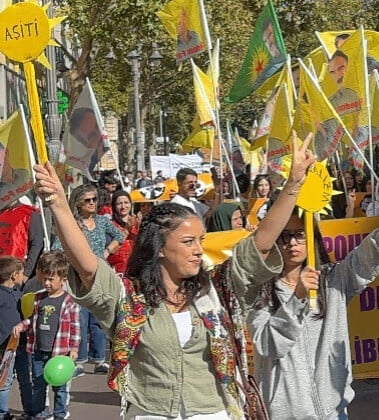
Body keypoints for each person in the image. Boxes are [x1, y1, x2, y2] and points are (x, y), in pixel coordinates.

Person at [32, 133, 318, 419]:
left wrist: (293, 185)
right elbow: (88, 266)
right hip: (150, 413)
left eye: (201, 240)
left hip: (213, 412)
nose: (198, 250)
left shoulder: (218, 289)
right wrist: (58, 202)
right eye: (188, 241)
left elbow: (261, 245)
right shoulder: (129, 299)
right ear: (159, 248)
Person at [247, 176, 379, 419]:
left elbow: (365, 260)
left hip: (333, 412)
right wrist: (297, 298)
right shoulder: (260, 290)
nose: (292, 242)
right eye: (284, 236)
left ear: (312, 237)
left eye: (299, 234)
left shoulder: (332, 279)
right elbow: (268, 345)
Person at [52, 183, 122, 375]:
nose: (92, 203)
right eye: (87, 200)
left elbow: (120, 235)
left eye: (94, 199)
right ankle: (79, 360)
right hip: (79, 276)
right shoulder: (73, 224)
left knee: (99, 319)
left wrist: (108, 250)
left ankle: (99, 359)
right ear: (78, 204)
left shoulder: (102, 221)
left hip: (100, 273)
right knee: (80, 319)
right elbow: (58, 245)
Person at [13, 251, 80, 420]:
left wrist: (74, 349)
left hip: (59, 352)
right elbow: (33, 319)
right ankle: (39, 412)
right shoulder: (38, 298)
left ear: (63, 280)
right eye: (44, 279)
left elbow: (75, 327)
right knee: (38, 384)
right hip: (38, 350)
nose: (47, 283)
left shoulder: (68, 302)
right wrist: (22, 325)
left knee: (60, 387)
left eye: (51, 279)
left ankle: (60, 413)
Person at [0, 256, 24, 420]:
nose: (24, 276)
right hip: (5, 346)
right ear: (14, 275)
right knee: (4, 381)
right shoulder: (1, 295)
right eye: (22, 273)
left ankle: (31, 408)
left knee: (23, 378)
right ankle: (2, 413)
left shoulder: (19, 293)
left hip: (20, 344)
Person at [107, 190, 140, 275]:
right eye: (119, 204)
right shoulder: (109, 225)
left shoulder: (137, 221)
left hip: (136, 269)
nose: (123, 206)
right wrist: (126, 230)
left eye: (126, 202)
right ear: (114, 206)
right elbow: (110, 250)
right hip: (118, 271)